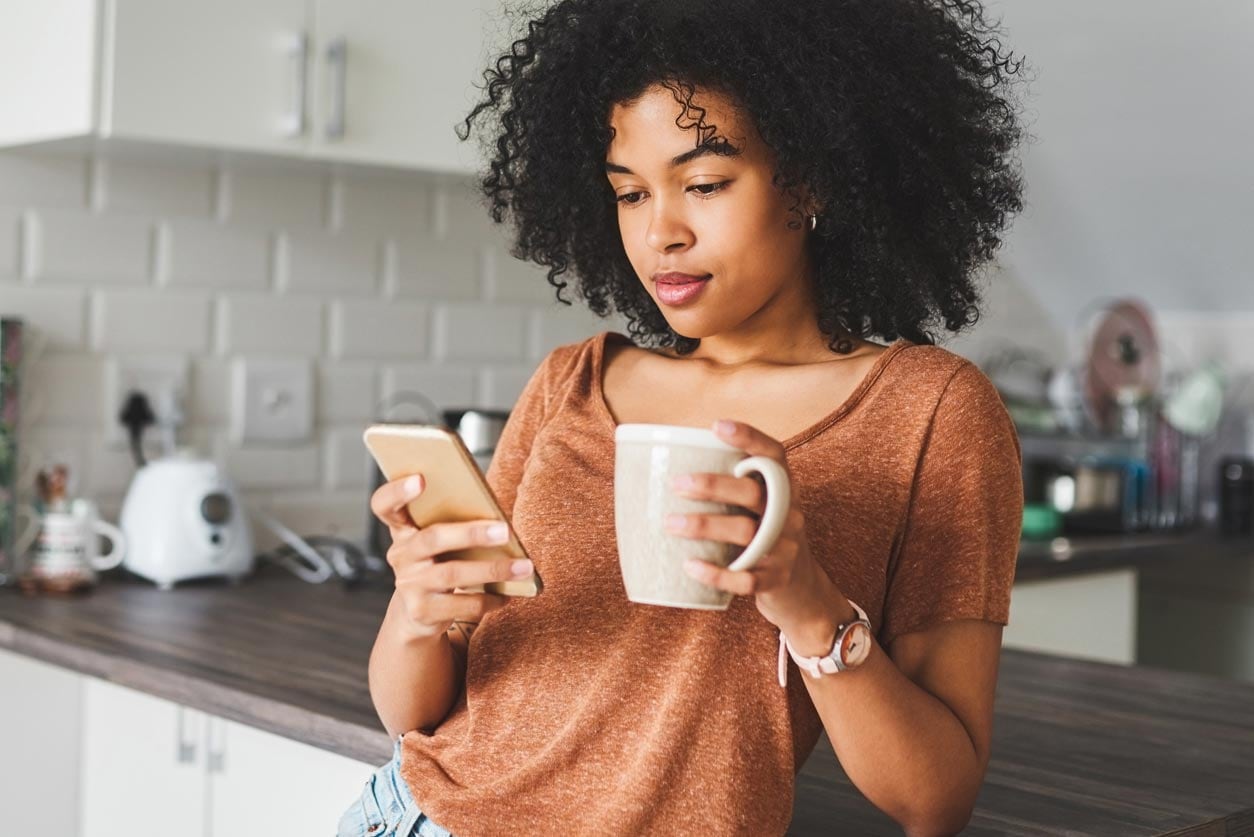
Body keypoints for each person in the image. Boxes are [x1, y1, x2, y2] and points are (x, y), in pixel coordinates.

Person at [338, 0, 1028, 834]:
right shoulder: (571, 383)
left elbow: (935, 797)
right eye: (629, 193)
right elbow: (413, 715)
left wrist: (806, 602)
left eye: (702, 184)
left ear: (808, 178)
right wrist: (417, 607)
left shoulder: (932, 412)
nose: (660, 232)